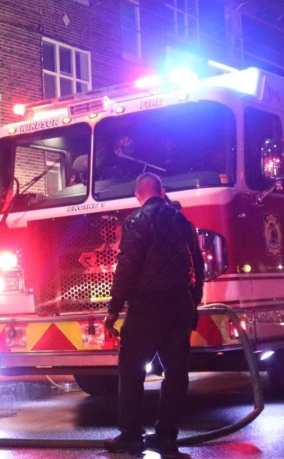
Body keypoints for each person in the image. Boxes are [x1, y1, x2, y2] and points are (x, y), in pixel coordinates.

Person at [103, 173, 205, 456]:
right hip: (180, 305)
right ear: (162, 191)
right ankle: (167, 438)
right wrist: (193, 300)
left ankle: (131, 436)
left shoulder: (136, 222)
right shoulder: (181, 220)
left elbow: (127, 268)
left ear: (138, 195)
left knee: (131, 369)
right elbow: (198, 263)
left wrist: (113, 310)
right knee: (176, 373)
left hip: (148, 306)